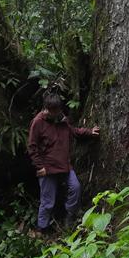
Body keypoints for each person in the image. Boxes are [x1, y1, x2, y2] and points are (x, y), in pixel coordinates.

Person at [28, 92, 100, 233]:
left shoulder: (61, 120)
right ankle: (42, 228)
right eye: (52, 111)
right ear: (46, 108)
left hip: (64, 166)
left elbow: (73, 131)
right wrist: (39, 166)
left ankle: (69, 217)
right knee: (48, 202)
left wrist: (89, 132)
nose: (55, 113)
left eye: (57, 110)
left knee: (75, 188)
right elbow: (32, 146)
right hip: (47, 168)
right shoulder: (38, 122)